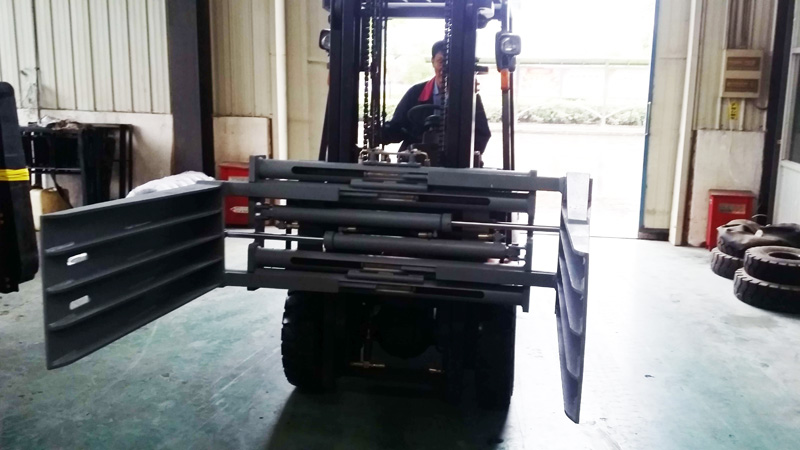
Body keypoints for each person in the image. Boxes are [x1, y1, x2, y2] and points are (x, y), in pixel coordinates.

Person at [382, 40, 491, 157]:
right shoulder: (415, 93)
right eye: (441, 62)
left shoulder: (468, 96)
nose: (446, 68)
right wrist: (380, 132)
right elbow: (397, 128)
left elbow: (482, 134)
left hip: (453, 161)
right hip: (416, 159)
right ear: (433, 61)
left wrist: (462, 154)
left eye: (451, 63)